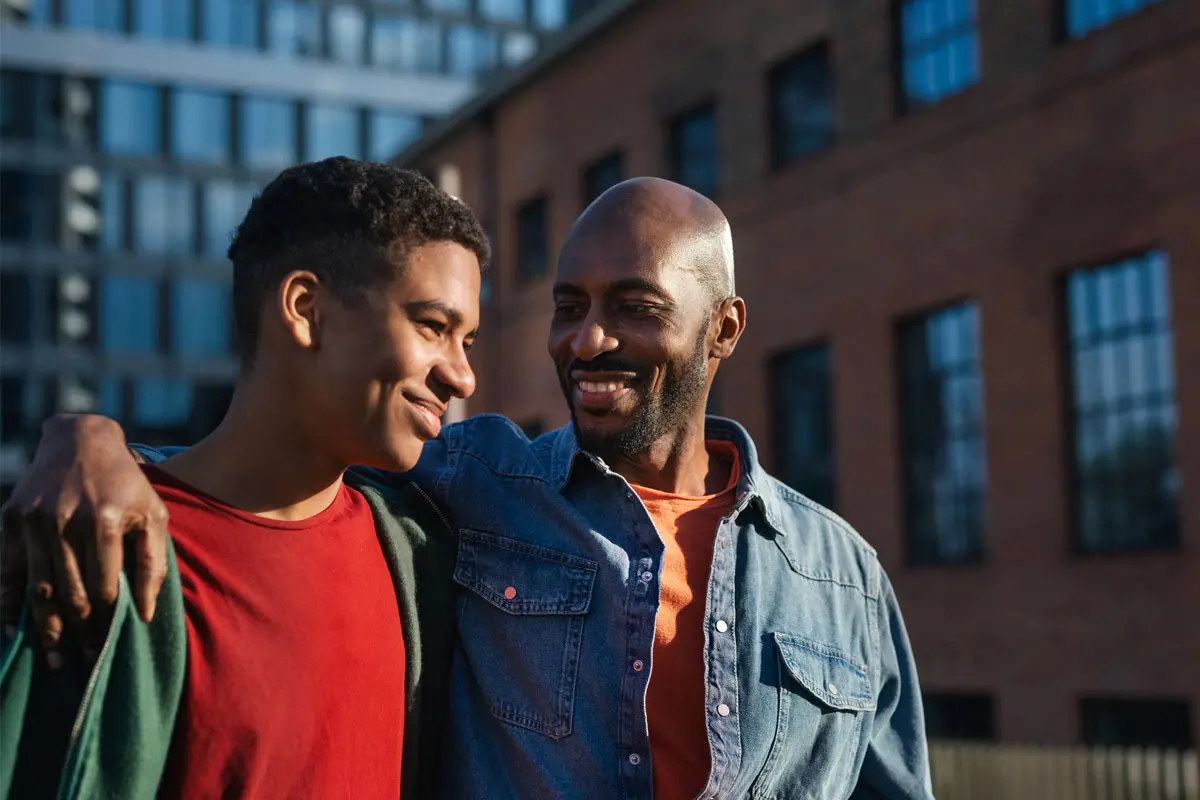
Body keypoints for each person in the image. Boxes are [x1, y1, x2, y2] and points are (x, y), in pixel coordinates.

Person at [2, 177, 934, 799]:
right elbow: (262, 457)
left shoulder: (842, 578)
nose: (586, 342)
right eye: (570, 307)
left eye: (635, 308)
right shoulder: (469, 486)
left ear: (724, 331)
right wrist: (85, 436)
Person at [0, 158, 488, 799]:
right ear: (305, 308)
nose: (462, 376)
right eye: (433, 327)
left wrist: (89, 436)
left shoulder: (427, 550)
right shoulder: (99, 551)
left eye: (468, 342)